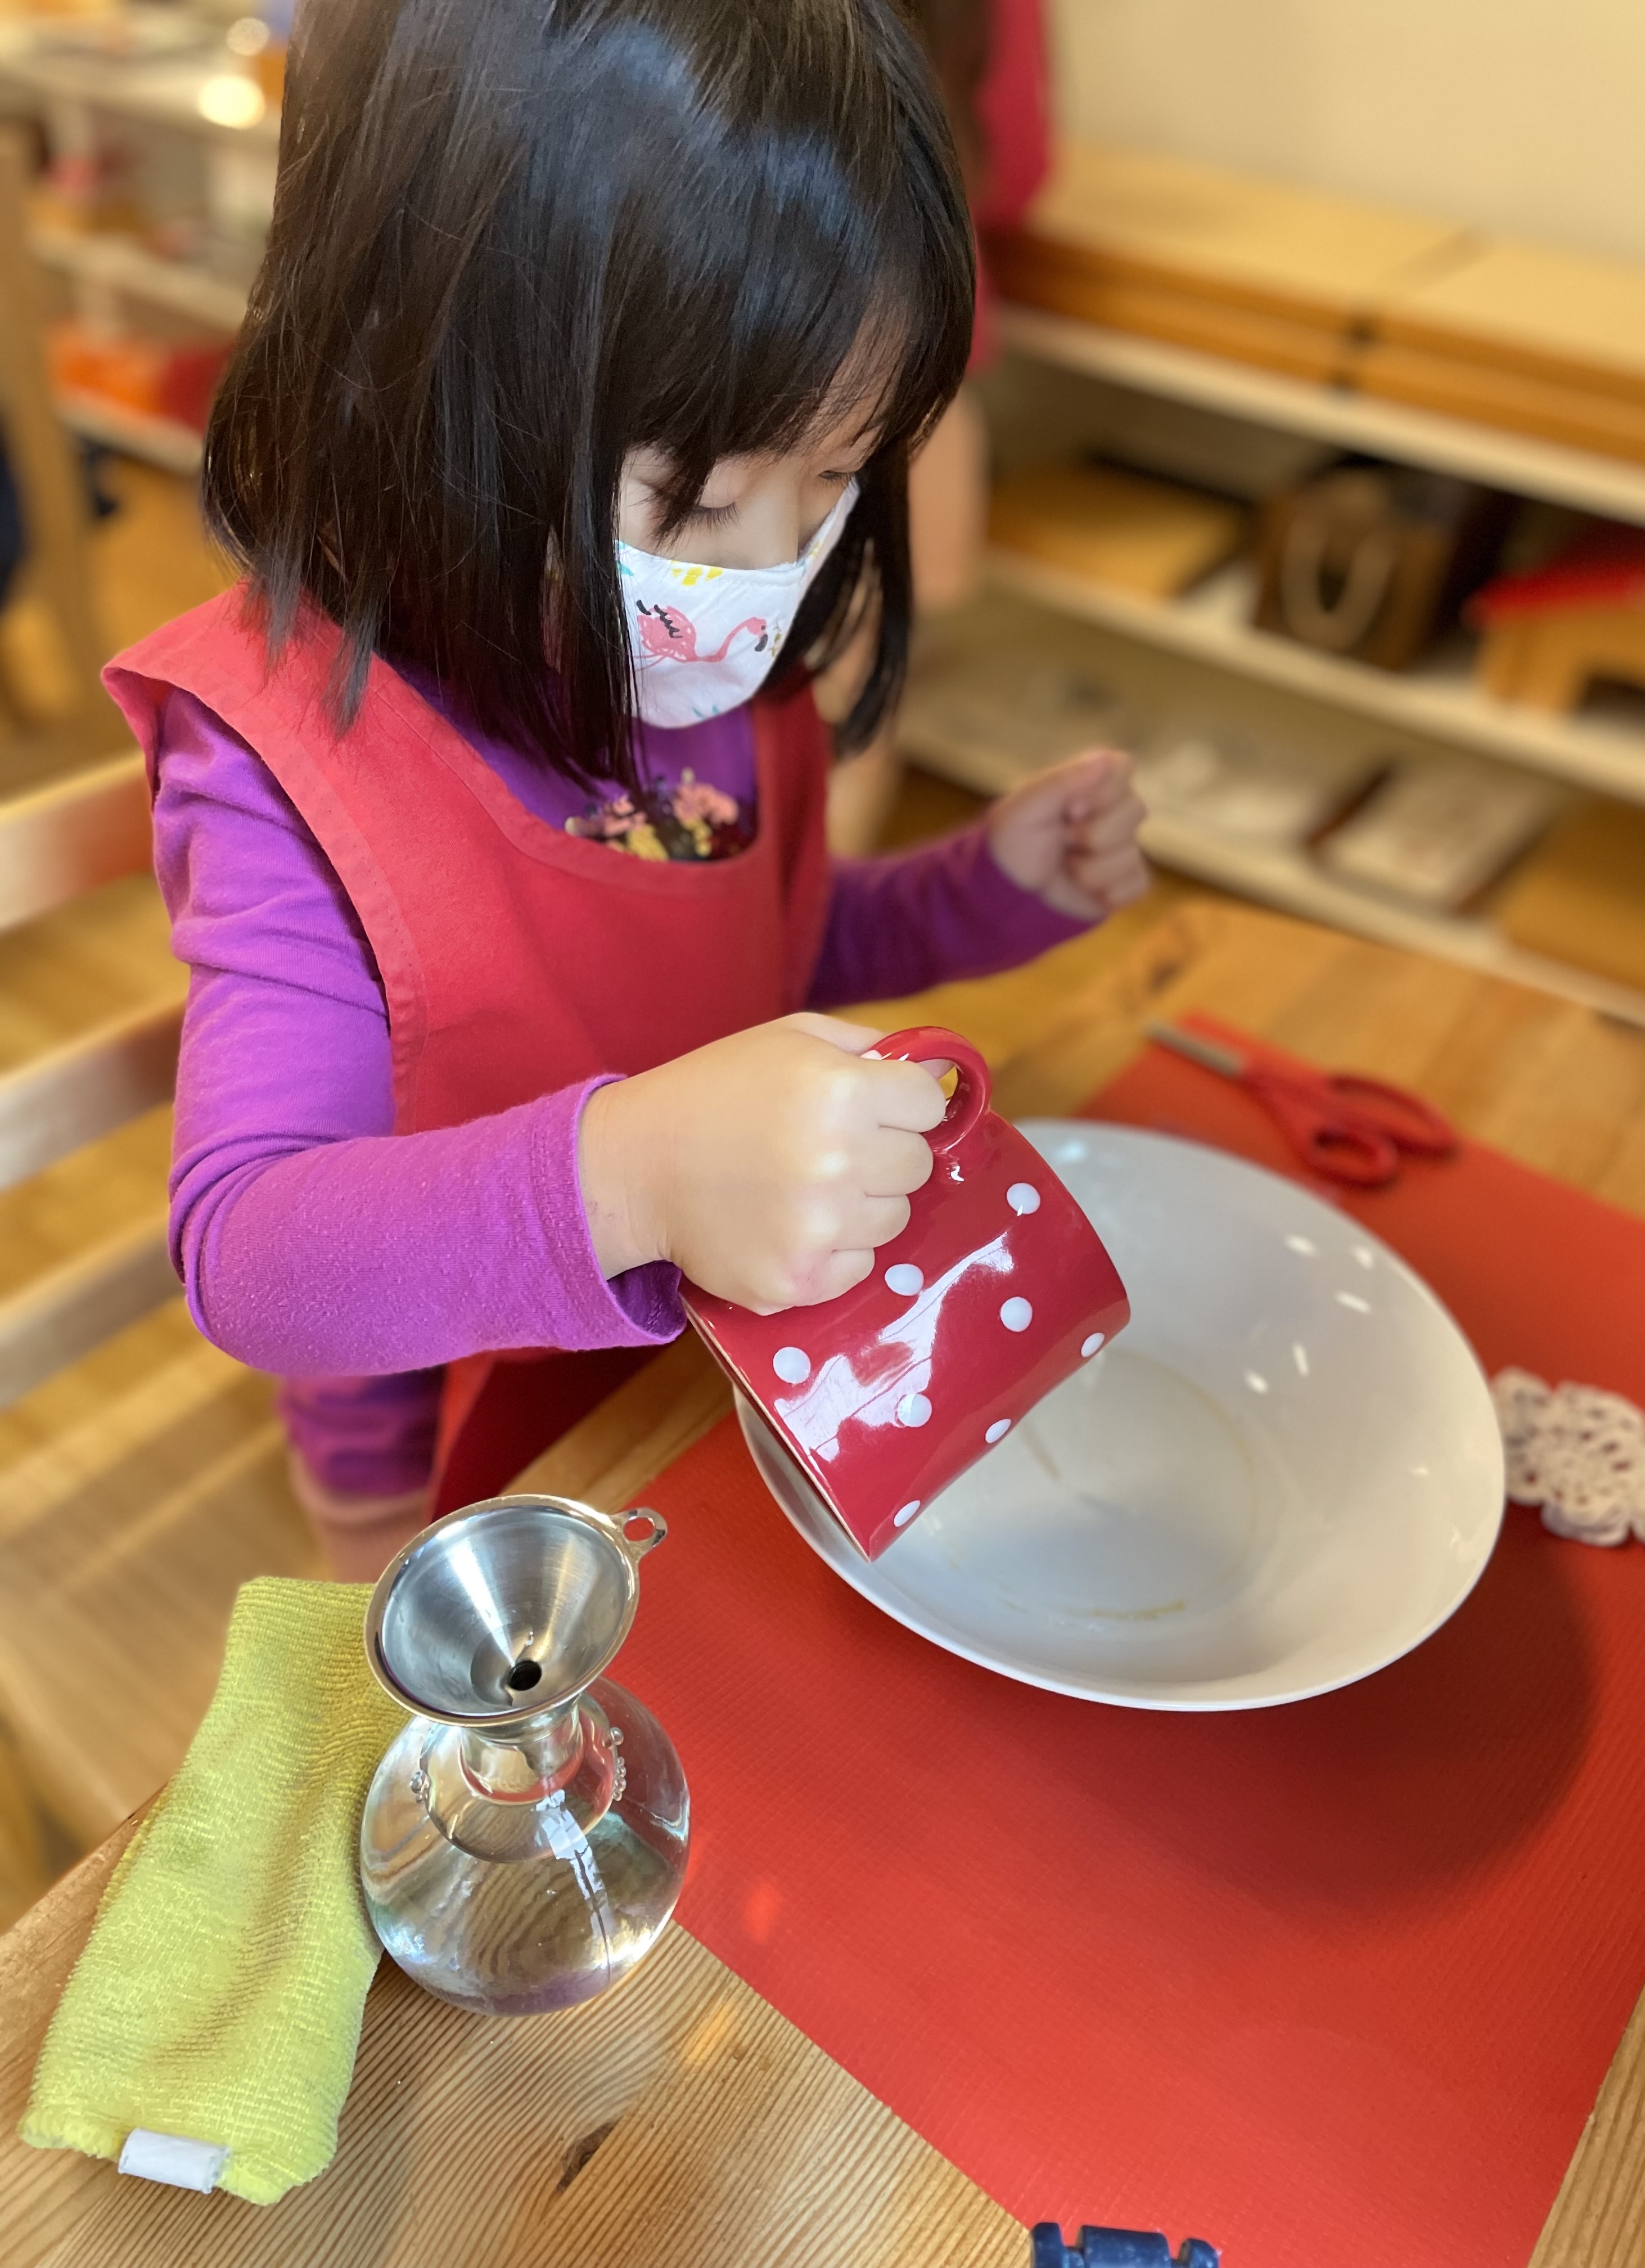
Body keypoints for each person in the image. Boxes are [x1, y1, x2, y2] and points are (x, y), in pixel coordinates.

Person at [106, 0, 1148, 1577]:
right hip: (456, 1470)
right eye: (707, 497)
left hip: (713, 1369)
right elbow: (252, 1259)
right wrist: (639, 1172)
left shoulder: (719, 667)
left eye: (838, 480)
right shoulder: (282, 762)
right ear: (432, 375)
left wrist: (981, 886)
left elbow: (749, 946)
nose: (771, 575)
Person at [824, 0, 1052, 853]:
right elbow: (1015, 175)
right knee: (857, 715)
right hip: (913, 377)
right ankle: (793, 951)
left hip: (740, 362)